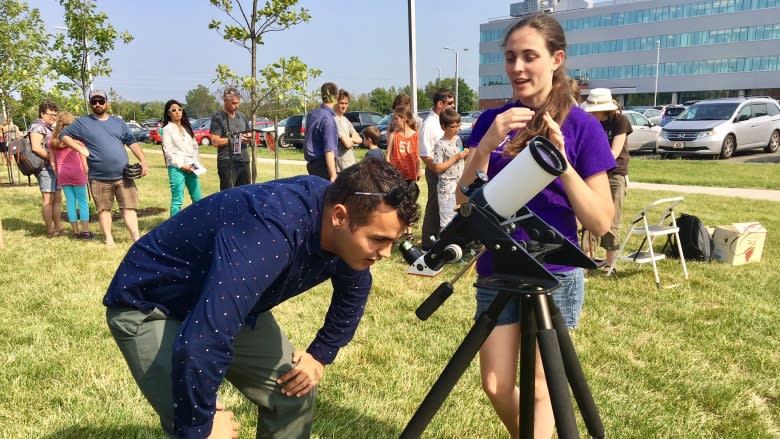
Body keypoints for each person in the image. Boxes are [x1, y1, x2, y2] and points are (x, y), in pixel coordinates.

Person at [104, 158, 420, 438]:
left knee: (293, 392)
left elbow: (355, 289)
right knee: (202, 426)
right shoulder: (273, 227)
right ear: (339, 216)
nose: (386, 253)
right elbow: (202, 340)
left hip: (222, 302)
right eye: (379, 239)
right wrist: (200, 425)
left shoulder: (345, 231)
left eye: (392, 241)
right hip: (149, 306)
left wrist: (321, 354)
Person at [457, 14, 615, 438]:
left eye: (529, 56)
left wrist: (562, 166)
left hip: (554, 275)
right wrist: (486, 146)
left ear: (556, 59)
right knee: (495, 384)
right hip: (499, 267)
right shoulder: (495, 121)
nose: (517, 67)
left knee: (544, 390)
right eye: (510, 57)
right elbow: (463, 199)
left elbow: (600, 221)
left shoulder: (582, 126)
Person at [60, 89, 149, 247]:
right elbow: (63, 135)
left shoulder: (119, 122)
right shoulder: (82, 123)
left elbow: (131, 141)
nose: (98, 104)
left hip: (123, 175)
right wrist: (80, 149)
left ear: (107, 102)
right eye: (94, 102)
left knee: (129, 207)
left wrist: (143, 160)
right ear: (90, 104)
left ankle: (136, 238)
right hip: (99, 176)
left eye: (101, 101)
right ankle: (109, 239)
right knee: (103, 209)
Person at [581, 89, 632, 268]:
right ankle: (588, 260)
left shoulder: (620, 121)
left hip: (615, 173)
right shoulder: (590, 122)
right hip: (594, 172)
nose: (591, 115)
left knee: (612, 218)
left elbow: (614, 153)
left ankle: (611, 264)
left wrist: (590, 162)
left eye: (593, 112)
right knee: (589, 215)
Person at [418, 88, 456, 249]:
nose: (453, 106)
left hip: (450, 172)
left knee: (449, 206)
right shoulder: (429, 125)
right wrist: (439, 170)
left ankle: (446, 241)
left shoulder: (446, 121)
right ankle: (428, 243)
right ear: (440, 104)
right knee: (435, 206)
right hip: (437, 172)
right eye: (450, 103)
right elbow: (425, 155)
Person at [49, 112, 92, 239]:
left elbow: (52, 162)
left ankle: (75, 232)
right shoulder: (77, 142)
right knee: (83, 202)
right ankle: (86, 232)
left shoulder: (53, 142)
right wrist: (87, 175)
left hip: (63, 174)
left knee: (70, 203)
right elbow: (84, 163)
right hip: (78, 173)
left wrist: (58, 174)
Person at [29, 101, 65, 237]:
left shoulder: (52, 127)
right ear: (42, 113)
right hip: (45, 168)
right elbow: (36, 147)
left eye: (55, 115)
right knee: (48, 199)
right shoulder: (37, 126)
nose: (53, 117)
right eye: (50, 114)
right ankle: (50, 230)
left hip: (55, 168)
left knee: (57, 199)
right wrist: (52, 159)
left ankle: (59, 227)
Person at [161, 99, 203, 216]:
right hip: (176, 167)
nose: (177, 112)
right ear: (168, 113)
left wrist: (195, 164)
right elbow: (168, 152)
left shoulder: (187, 128)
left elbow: (195, 148)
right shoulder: (167, 130)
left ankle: (200, 223)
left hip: (191, 166)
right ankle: (173, 228)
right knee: (177, 200)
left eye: (180, 109)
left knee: (198, 198)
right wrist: (182, 166)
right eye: (173, 110)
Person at [432, 108, 469, 229]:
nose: (457, 129)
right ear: (443, 126)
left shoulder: (458, 139)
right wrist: (456, 157)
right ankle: (445, 245)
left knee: (461, 216)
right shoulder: (440, 144)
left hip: (460, 184)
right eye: (453, 127)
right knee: (447, 220)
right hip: (447, 187)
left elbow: (461, 157)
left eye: (459, 125)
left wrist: (465, 154)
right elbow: (437, 168)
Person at [210, 87, 252, 190]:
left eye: (238, 103)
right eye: (234, 103)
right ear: (225, 101)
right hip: (227, 162)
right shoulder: (218, 117)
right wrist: (236, 139)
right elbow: (215, 141)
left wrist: (249, 138)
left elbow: (248, 133)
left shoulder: (242, 116)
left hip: (243, 160)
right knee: (228, 195)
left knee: (245, 192)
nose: (236, 106)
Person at [303, 82, 339, 181]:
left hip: (312, 165)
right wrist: (333, 175)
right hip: (323, 166)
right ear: (336, 96)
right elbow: (329, 150)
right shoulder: (328, 119)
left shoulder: (312, 114)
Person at [386, 106, 419, 183]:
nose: (394, 121)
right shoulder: (393, 135)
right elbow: (388, 157)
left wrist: (417, 172)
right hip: (396, 175)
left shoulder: (415, 135)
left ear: (404, 118)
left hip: (411, 174)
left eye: (396, 118)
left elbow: (417, 157)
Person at [333, 89, 361, 172]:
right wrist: (352, 139)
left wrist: (350, 139)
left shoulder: (345, 120)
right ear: (336, 103)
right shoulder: (334, 120)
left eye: (346, 103)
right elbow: (347, 144)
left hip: (351, 162)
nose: (344, 106)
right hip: (341, 166)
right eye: (341, 103)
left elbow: (360, 139)